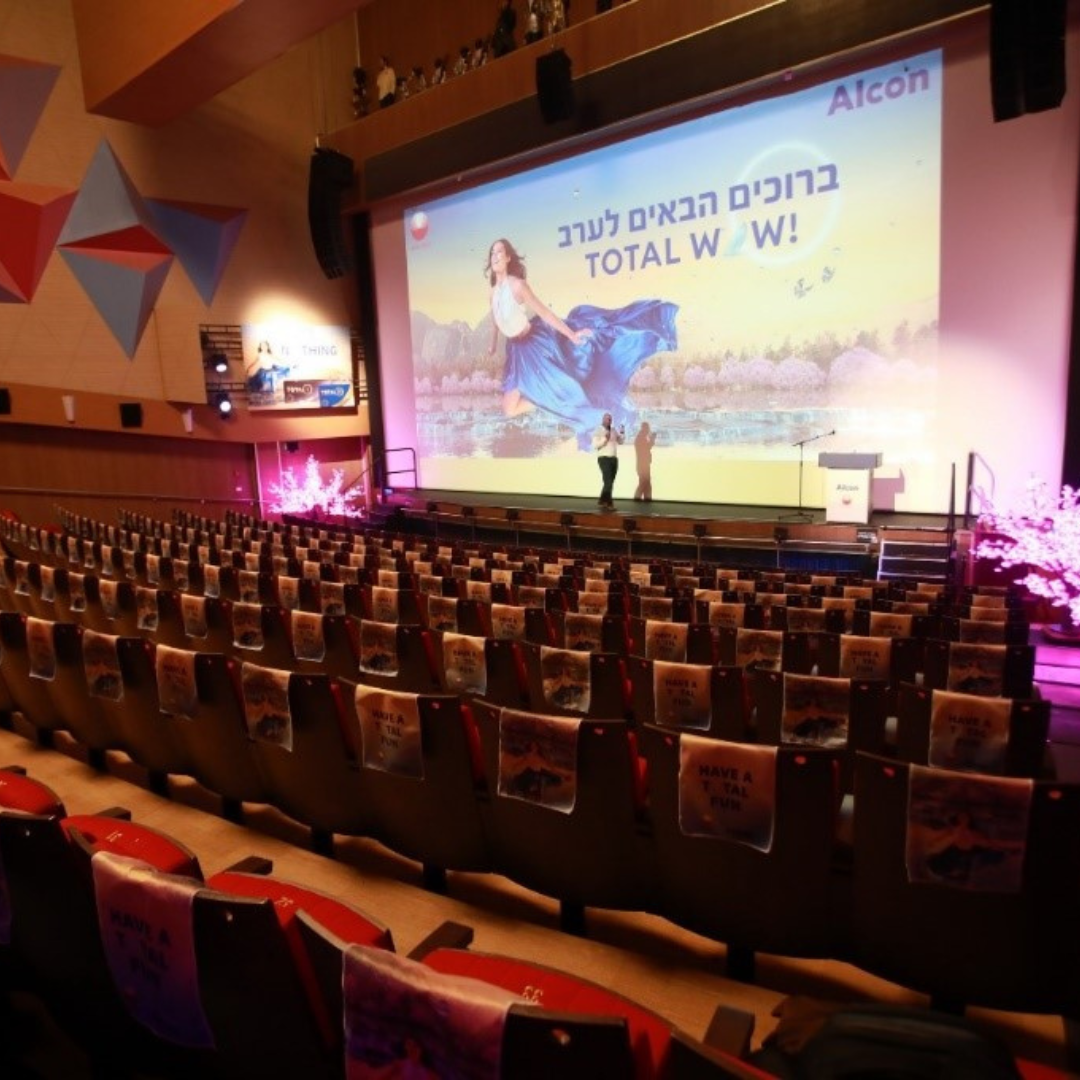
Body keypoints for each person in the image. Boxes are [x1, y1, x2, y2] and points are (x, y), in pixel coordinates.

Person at [484, 237, 679, 449]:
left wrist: (571, 335)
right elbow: (496, 320)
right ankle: (546, 397)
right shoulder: (493, 291)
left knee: (536, 396)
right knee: (509, 409)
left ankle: (551, 398)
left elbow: (546, 313)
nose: (495, 256)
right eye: (492, 253)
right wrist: (492, 344)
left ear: (508, 257)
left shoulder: (518, 286)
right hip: (515, 351)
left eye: (499, 252)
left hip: (534, 345)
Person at [593, 412, 623, 508]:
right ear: (603, 419)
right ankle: (609, 503)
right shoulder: (598, 430)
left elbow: (620, 442)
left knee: (609, 482)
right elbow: (595, 445)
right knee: (608, 481)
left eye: (610, 419)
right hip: (604, 458)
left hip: (613, 458)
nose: (609, 421)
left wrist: (622, 433)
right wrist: (605, 439)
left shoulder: (613, 430)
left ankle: (602, 501)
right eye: (607, 419)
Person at [633, 420, 657, 501]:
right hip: (643, 464)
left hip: (642, 464)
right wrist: (652, 439)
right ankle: (640, 498)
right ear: (645, 428)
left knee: (646, 482)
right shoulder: (641, 438)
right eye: (648, 428)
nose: (649, 430)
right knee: (644, 482)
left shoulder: (641, 437)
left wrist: (651, 439)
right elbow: (647, 448)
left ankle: (647, 498)